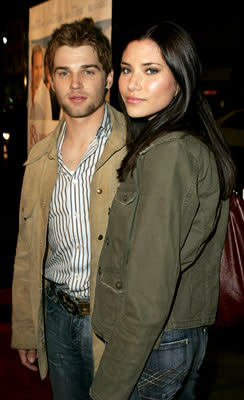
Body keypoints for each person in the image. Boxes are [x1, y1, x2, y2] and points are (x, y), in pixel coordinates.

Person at [89, 20, 237, 400]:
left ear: (181, 79)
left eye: (151, 70)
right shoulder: (186, 141)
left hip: (155, 344)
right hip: (180, 335)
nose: (131, 84)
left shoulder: (169, 153)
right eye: (126, 69)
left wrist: (108, 388)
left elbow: (148, 295)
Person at [11, 18, 126, 400]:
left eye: (87, 71)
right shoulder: (38, 157)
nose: (75, 85)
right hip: (57, 319)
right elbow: (28, 250)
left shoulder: (139, 149)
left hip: (118, 321)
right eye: (64, 72)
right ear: (50, 81)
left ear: (108, 78)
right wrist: (27, 329)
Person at [30, 44, 52, 120]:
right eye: (36, 68)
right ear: (31, 68)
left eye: (41, 67)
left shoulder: (46, 94)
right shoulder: (27, 91)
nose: (39, 73)